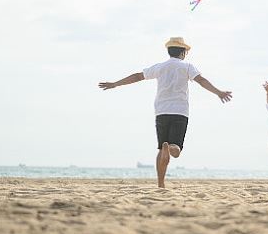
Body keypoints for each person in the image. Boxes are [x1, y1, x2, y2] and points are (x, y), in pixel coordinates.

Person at [99, 37, 232, 188]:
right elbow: (201, 80)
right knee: (176, 149)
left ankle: (161, 183)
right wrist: (218, 92)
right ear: (182, 52)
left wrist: (115, 84)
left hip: (161, 112)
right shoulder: (187, 66)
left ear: (169, 51)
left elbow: (137, 76)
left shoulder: (160, 67)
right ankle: (171, 148)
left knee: (162, 148)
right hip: (180, 112)